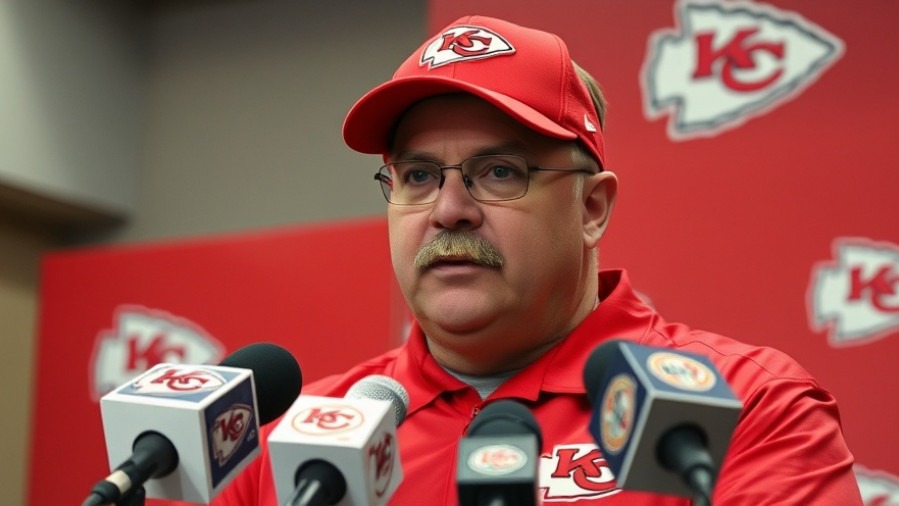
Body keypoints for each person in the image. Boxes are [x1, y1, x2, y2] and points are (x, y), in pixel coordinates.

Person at [210, 15, 862, 505]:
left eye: (497, 171)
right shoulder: (279, 440)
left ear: (590, 209)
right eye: (417, 175)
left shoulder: (744, 406)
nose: (448, 209)